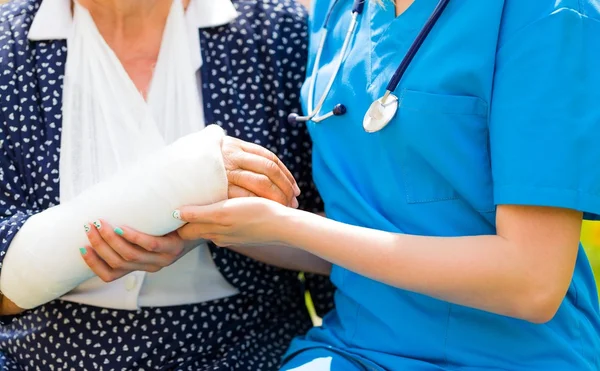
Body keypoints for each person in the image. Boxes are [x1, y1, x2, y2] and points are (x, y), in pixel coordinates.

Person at [172, 0, 600, 369]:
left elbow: (533, 282)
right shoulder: (335, 13)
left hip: (511, 357)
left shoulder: (543, 14)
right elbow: (350, 236)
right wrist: (192, 224)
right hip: (356, 348)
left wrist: (287, 225)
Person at [0, 0, 333, 369]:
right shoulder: (8, 45)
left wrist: (210, 228)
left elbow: (346, 245)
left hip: (249, 350)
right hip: (46, 355)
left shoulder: (279, 30)